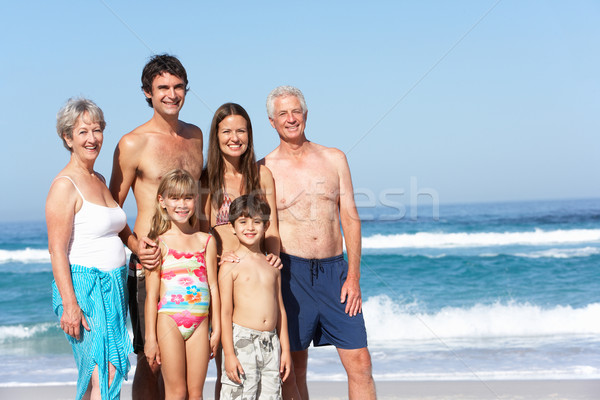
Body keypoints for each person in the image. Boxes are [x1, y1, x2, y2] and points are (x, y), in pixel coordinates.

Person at [260, 86, 376, 400]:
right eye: (282, 113)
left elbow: (350, 216)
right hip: (289, 274)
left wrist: (354, 276)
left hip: (335, 274)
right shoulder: (263, 168)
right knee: (293, 369)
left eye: (296, 111)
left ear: (306, 115)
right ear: (272, 122)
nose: (290, 118)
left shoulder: (334, 158)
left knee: (360, 362)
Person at [109, 54, 204, 400]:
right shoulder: (133, 143)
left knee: (187, 361)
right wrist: (135, 247)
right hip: (151, 263)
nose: (171, 94)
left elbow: (199, 202)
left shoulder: (194, 137)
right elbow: (111, 208)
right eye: (163, 87)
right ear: (148, 93)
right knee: (150, 360)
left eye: (178, 87)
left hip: (191, 263)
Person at [199, 103, 293, 399]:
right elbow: (202, 232)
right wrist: (217, 258)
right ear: (217, 137)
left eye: (241, 130)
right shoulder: (206, 180)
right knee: (229, 369)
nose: (234, 137)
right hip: (223, 276)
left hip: (258, 271)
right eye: (227, 131)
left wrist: (273, 255)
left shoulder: (261, 175)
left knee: (266, 372)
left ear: (250, 135)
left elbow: (273, 228)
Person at [47, 98, 132, 400]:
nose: (92, 138)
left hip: (114, 286)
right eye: (82, 132)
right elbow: (57, 251)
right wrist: (70, 304)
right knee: (102, 371)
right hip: (84, 286)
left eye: (97, 130)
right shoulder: (64, 185)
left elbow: (116, 228)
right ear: (67, 138)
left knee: (108, 370)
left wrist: (136, 244)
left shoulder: (98, 179)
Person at [144, 169, 220, 399]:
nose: (182, 204)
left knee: (196, 394)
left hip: (200, 322)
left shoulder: (206, 240)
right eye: (175, 198)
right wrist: (150, 338)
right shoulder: (157, 243)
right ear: (162, 201)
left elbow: (214, 287)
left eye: (187, 197)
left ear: (196, 199)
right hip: (169, 320)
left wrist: (215, 329)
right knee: (176, 393)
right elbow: (151, 296)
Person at [218, 195, 292, 399]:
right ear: (232, 226)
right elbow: (225, 312)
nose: (249, 227)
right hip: (242, 342)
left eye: (256, 222)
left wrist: (285, 350)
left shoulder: (272, 264)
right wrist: (229, 354)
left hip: (271, 343)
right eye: (243, 222)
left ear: (266, 225)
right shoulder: (229, 265)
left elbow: (281, 309)